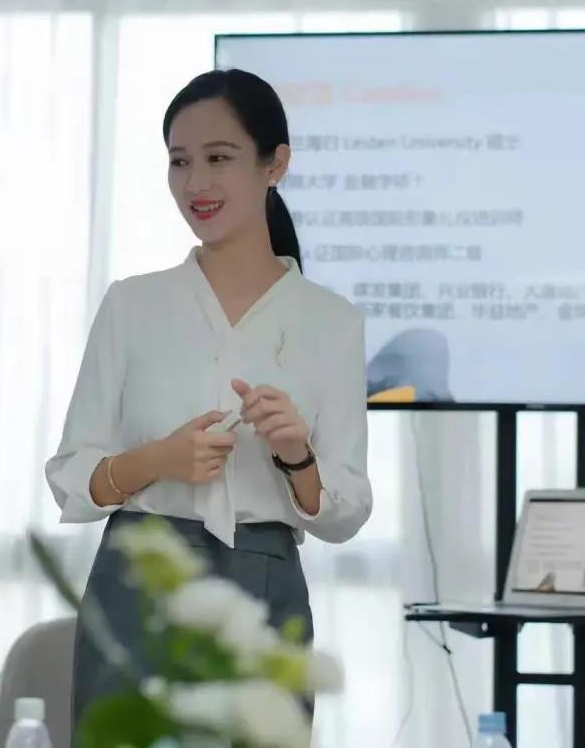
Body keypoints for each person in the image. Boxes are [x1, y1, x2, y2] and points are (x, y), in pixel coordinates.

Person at [44, 68, 373, 731]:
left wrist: (296, 455)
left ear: (275, 164)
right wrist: (157, 459)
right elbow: (71, 476)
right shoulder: (132, 305)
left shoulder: (331, 321)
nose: (196, 183)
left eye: (218, 159)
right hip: (138, 583)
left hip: (264, 587)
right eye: (180, 162)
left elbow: (346, 511)